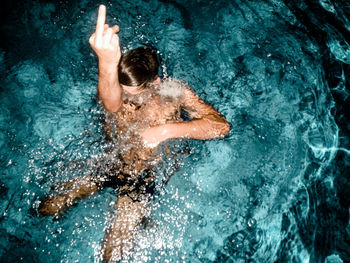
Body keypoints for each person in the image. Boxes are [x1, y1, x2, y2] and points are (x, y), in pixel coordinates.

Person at [38, 4, 230, 262]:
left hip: (145, 176)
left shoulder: (174, 93)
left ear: (156, 83)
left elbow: (221, 127)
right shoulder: (114, 91)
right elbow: (111, 102)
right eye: (122, 90)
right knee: (50, 206)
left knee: (112, 251)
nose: (126, 100)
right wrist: (106, 62)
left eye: (134, 95)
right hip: (112, 160)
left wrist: (166, 130)